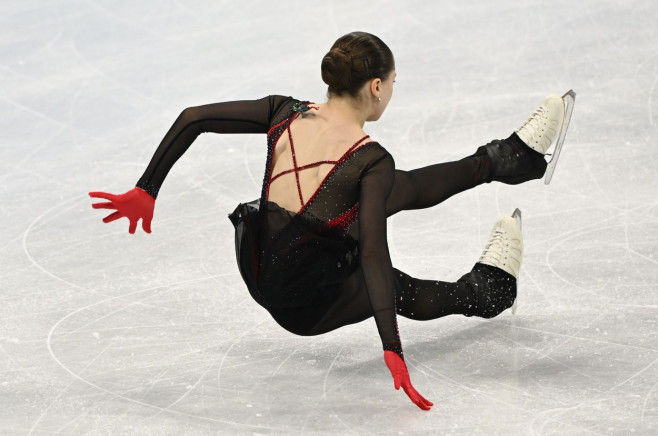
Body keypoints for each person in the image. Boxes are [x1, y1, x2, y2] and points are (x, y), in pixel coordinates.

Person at [89, 31, 566, 411]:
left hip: (262, 270)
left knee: (390, 190)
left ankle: (508, 160)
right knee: (395, 273)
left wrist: (146, 189)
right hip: (308, 305)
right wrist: (392, 345)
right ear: (377, 87)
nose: (392, 92)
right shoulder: (369, 159)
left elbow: (193, 117)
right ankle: (489, 291)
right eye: (394, 83)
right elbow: (376, 256)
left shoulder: (284, 112)